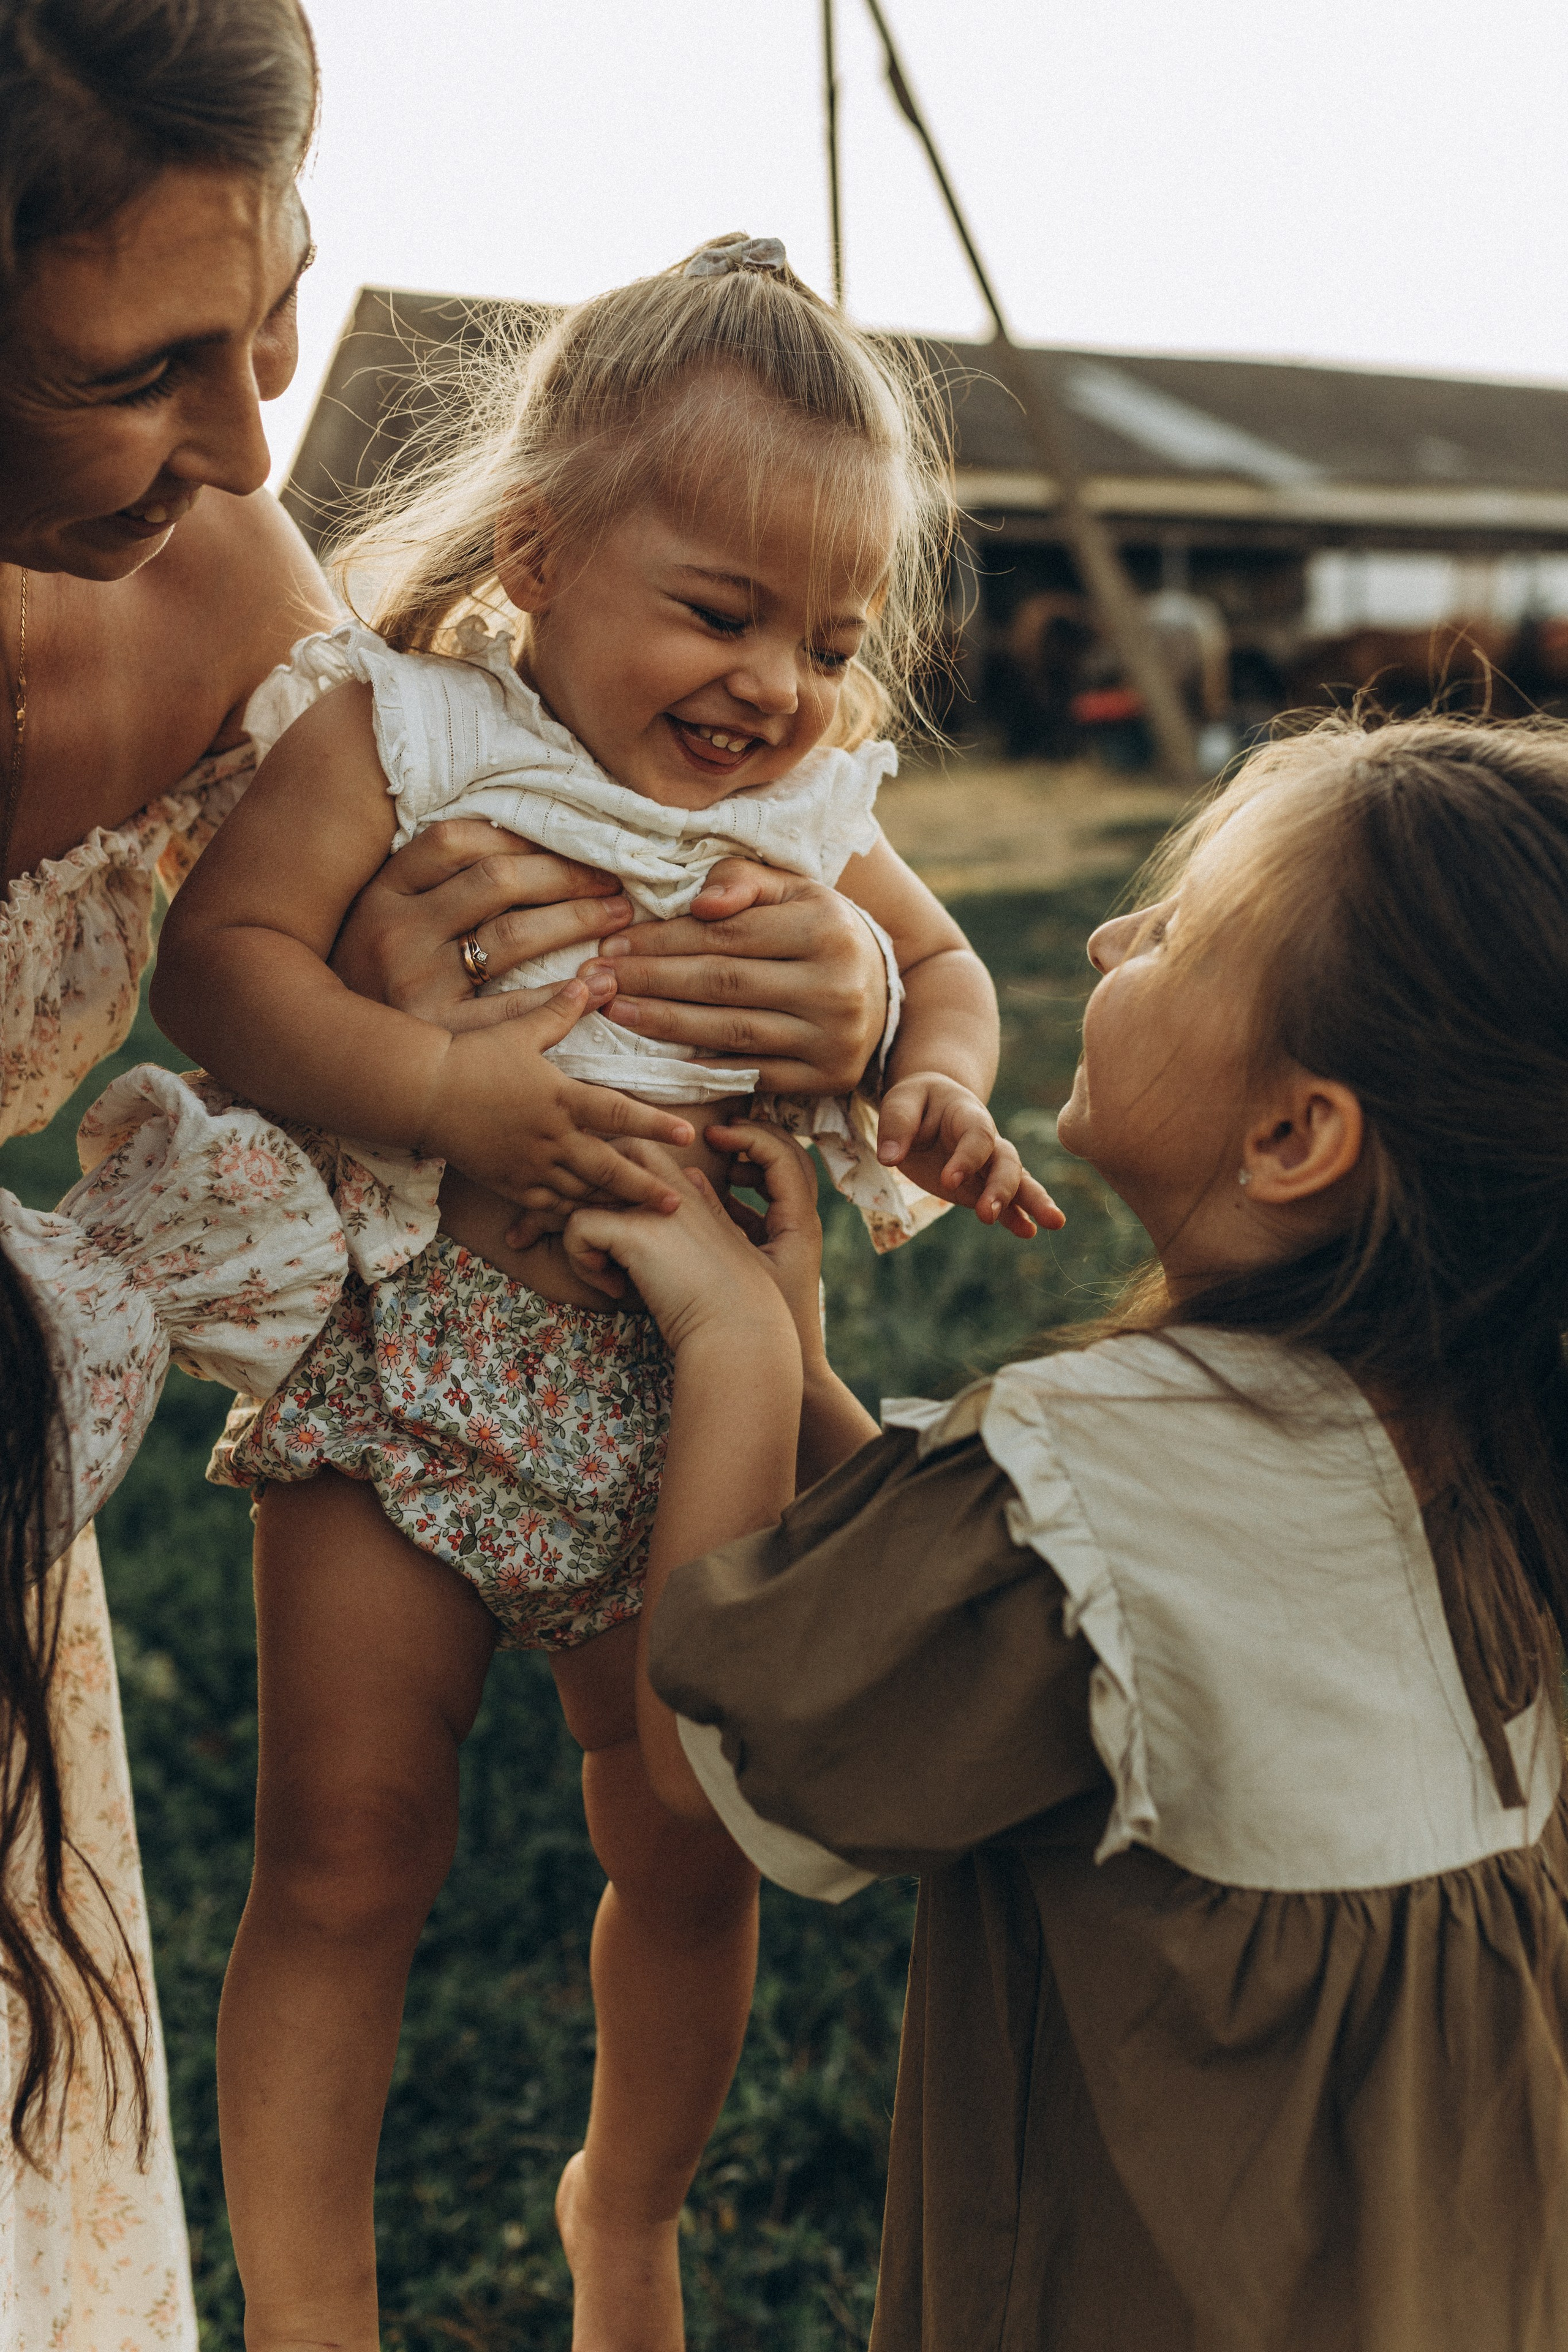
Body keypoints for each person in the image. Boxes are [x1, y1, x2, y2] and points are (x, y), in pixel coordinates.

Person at [60, 232, 1059, 2348]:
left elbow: (947, 970)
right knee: (346, 1845)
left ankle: (631, 2218)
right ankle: (312, 2307)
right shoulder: (405, 729)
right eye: (720, 611)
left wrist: (936, 1075)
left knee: (686, 1844)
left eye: (830, 635)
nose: (776, 682)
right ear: (544, 552)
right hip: (412, 1362)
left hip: (690, 1397)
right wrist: (439, 1087)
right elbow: (221, 962)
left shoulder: (806, 806)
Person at [570, 712, 1568, 2352]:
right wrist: (807, 1355)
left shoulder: (1100, 1476)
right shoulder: (1489, 1434)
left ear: (1294, 1135)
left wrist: (730, 1352)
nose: (1110, 935)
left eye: (1175, 934)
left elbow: (712, 1755)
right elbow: (941, 1609)